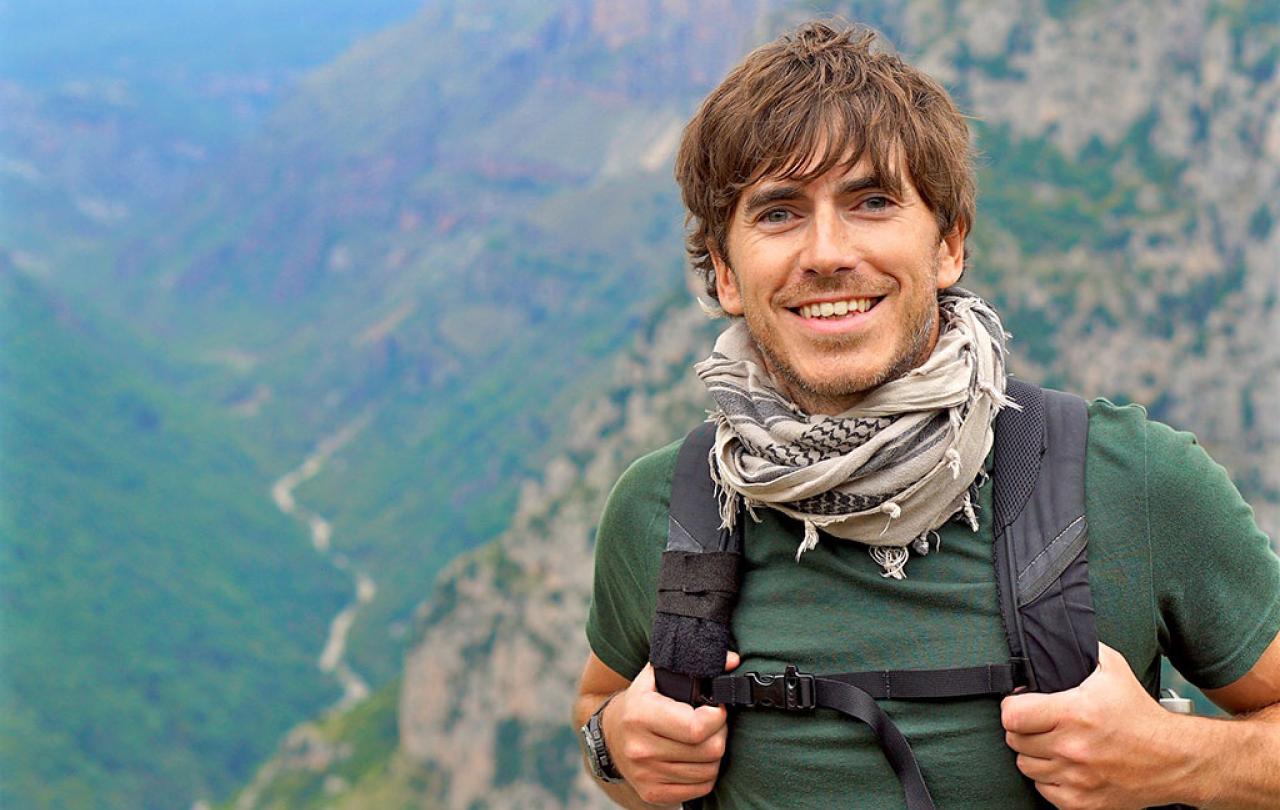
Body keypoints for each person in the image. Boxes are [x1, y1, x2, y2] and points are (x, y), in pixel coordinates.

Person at [572, 20, 1280, 810]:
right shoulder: (665, 509)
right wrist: (615, 745)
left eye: (871, 201)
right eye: (777, 213)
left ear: (948, 244)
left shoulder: (1134, 481)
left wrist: (1180, 757)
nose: (827, 252)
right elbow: (601, 721)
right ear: (726, 275)